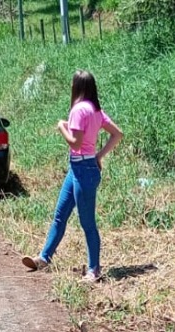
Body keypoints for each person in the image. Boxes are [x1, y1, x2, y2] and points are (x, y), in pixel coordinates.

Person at [22, 70, 123, 282]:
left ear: (76, 86)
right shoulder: (96, 110)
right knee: (61, 214)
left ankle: (94, 270)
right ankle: (44, 258)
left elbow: (75, 142)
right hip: (80, 168)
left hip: (82, 171)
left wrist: (61, 127)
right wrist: (98, 155)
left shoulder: (78, 109)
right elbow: (117, 134)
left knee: (87, 223)